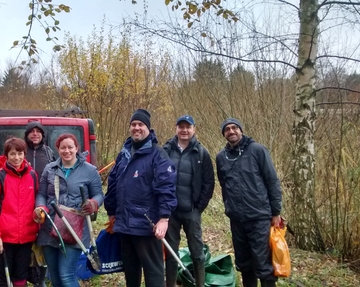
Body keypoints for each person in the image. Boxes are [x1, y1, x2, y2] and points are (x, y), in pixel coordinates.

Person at [104, 108, 177, 287]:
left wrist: (164, 219)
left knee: (153, 272)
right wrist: (111, 212)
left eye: (140, 124)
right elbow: (113, 183)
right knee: (130, 271)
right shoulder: (124, 154)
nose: (136, 128)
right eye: (133, 124)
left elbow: (166, 187)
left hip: (147, 225)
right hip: (124, 225)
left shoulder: (157, 154)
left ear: (148, 129)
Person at [216, 118, 282, 287]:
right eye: (227, 129)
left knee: (263, 263)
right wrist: (229, 207)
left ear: (241, 130)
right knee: (244, 263)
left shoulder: (257, 150)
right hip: (237, 219)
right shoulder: (221, 157)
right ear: (224, 134)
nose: (231, 131)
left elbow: (272, 181)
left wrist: (275, 212)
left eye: (235, 128)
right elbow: (224, 185)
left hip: (259, 217)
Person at [34, 133, 104, 287]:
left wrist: (93, 203)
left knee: (66, 275)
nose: (67, 151)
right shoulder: (49, 169)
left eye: (70, 147)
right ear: (57, 149)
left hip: (75, 229)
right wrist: (40, 207)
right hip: (50, 227)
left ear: (76, 148)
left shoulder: (90, 170)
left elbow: (99, 194)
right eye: (63, 148)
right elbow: (41, 194)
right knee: (55, 277)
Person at [163, 115, 215, 287]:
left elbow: (209, 182)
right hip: (170, 212)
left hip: (191, 211)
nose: (184, 130)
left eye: (188, 127)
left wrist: (198, 207)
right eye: (181, 127)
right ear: (176, 129)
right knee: (171, 252)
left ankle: (200, 284)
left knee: (197, 252)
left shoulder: (201, 152)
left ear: (194, 129)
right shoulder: (166, 149)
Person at [0, 137, 39, 287]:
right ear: (6, 155)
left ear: (25, 154)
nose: (17, 158)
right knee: (2, 279)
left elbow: (37, 202)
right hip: (3, 239)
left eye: (20, 153)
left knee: (20, 277)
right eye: (13, 154)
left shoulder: (32, 175)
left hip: (26, 237)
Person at [24, 121, 55, 287]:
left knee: (42, 242)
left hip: (44, 203)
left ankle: (40, 280)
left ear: (42, 135)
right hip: (24, 203)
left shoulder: (49, 153)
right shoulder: (21, 151)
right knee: (26, 242)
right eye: (32, 131)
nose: (35, 134)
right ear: (27, 134)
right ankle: (24, 276)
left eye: (38, 132)